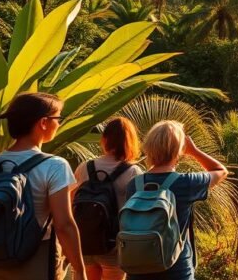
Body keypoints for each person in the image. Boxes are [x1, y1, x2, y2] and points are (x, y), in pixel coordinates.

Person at [0, 92, 88, 280]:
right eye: (58, 118)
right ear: (44, 122)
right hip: (34, 261)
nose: (59, 124)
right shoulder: (55, 165)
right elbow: (63, 224)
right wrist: (79, 269)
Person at [125, 121, 229, 280]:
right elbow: (221, 171)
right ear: (178, 150)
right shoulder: (185, 183)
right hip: (176, 269)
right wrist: (194, 151)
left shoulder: (135, 184)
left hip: (139, 268)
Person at [74, 117, 145, 280]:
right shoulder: (134, 172)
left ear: (104, 139)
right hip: (114, 245)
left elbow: (72, 202)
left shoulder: (84, 167)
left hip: (84, 241)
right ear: (131, 141)